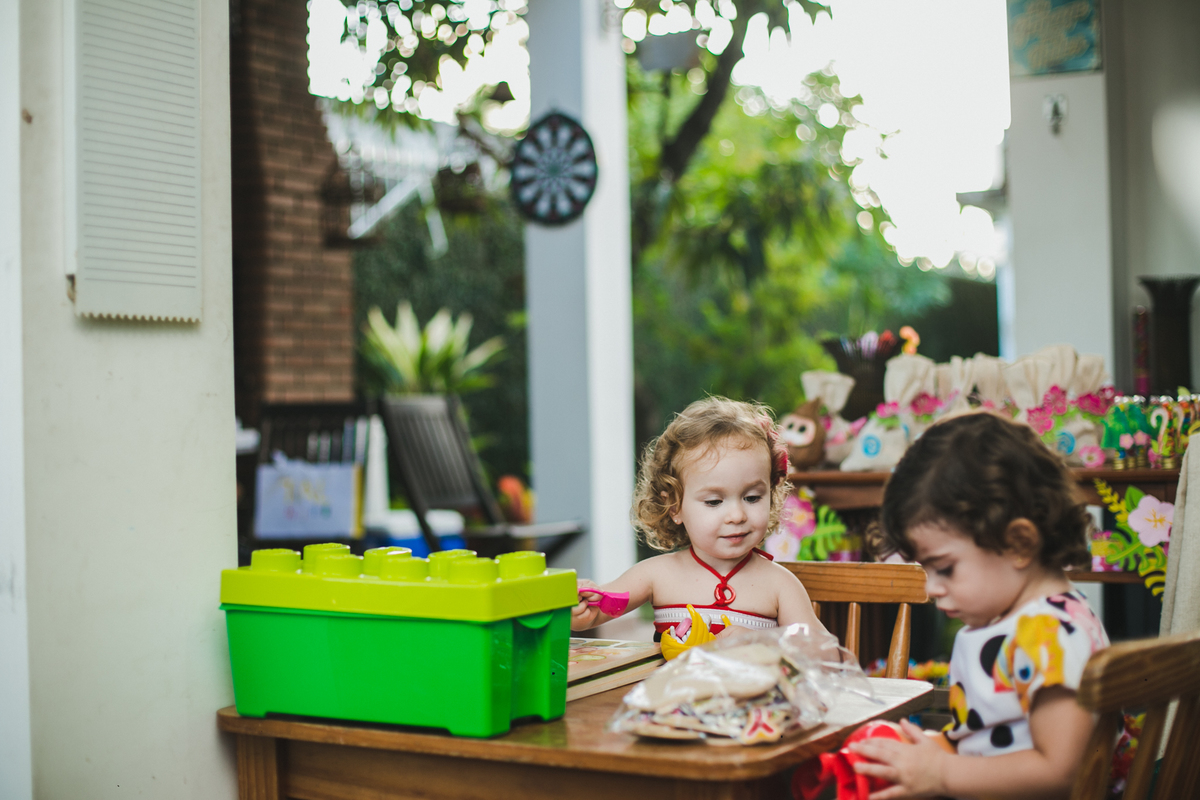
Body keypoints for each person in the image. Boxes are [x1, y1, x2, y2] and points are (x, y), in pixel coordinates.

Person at [854, 412, 1107, 799]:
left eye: (945, 568)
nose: (931, 589)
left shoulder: (1048, 634)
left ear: (1018, 544)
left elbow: (1063, 771)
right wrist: (926, 754)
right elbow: (987, 743)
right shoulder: (1012, 623)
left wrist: (942, 772)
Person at [571, 396, 826, 639]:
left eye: (752, 498)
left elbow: (823, 653)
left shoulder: (780, 585)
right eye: (714, 501)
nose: (737, 515)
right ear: (674, 506)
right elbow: (596, 612)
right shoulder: (656, 575)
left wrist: (767, 643)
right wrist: (580, 609)